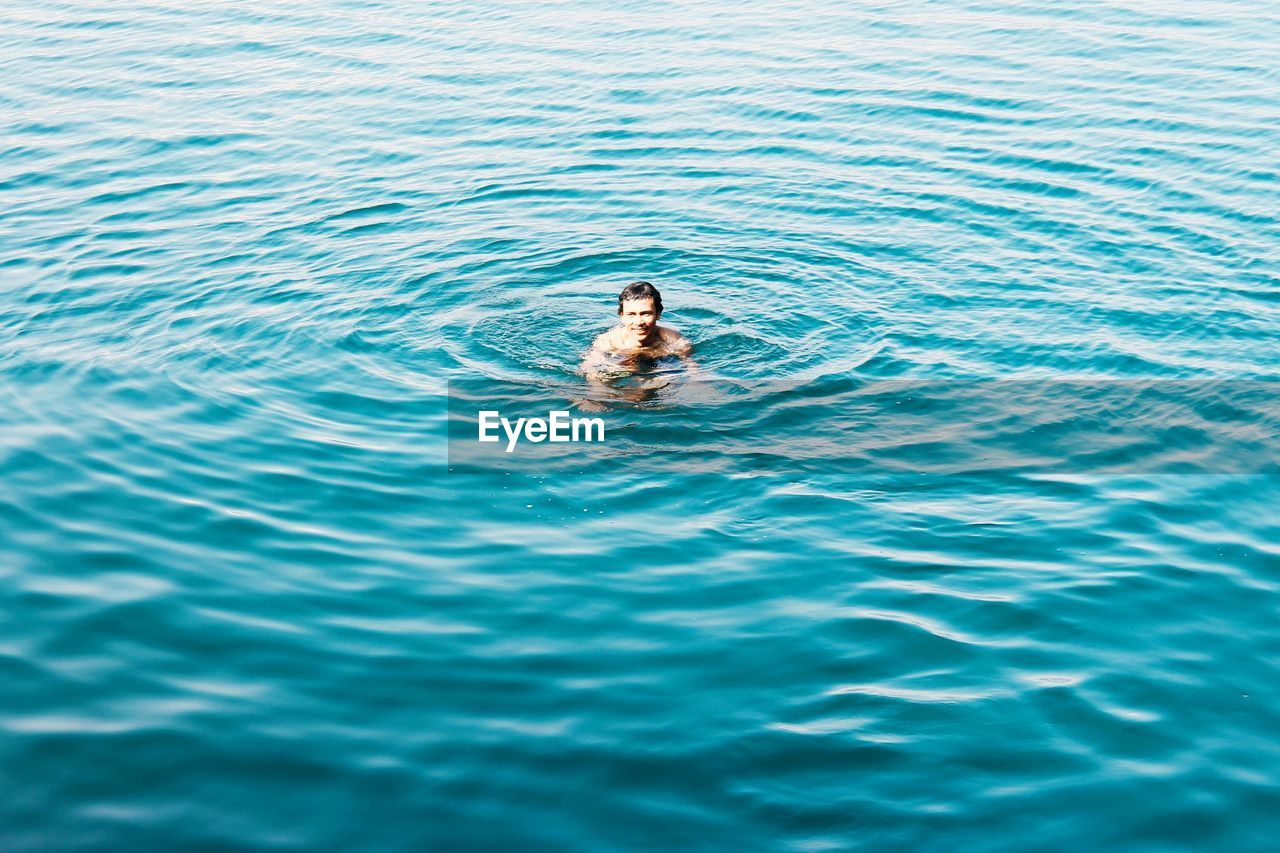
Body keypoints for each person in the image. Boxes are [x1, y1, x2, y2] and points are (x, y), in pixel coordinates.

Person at [579, 281, 693, 407]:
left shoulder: (674, 340)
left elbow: (692, 368)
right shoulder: (608, 341)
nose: (638, 322)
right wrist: (597, 395)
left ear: (658, 314)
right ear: (622, 316)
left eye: (646, 314)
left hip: (660, 361)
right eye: (631, 314)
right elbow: (590, 369)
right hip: (621, 359)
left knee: (645, 393)